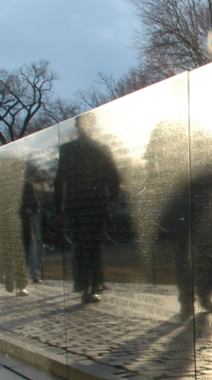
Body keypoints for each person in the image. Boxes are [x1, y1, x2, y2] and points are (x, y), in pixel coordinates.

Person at [54, 113, 121, 304]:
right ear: (77, 126)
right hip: (76, 206)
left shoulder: (100, 148)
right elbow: (60, 180)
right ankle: (87, 284)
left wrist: (113, 199)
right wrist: (58, 209)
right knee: (82, 246)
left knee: (93, 245)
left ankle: (92, 283)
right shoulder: (67, 150)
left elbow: (113, 176)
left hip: (96, 204)